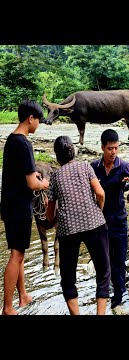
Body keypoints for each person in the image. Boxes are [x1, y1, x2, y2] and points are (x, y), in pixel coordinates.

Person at [46, 135, 110, 315]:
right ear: (73, 150)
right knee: (103, 271)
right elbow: (100, 193)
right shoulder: (85, 166)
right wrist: (98, 211)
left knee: (68, 278)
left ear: (57, 155)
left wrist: (51, 219)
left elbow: (50, 214)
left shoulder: (55, 176)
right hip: (95, 224)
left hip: (68, 231)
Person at [1, 99, 49, 315]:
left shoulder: (11, 140)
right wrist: (44, 183)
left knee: (17, 251)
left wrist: (34, 176)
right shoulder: (25, 143)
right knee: (17, 256)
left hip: (9, 204)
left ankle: (23, 295)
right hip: (19, 207)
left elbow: (20, 174)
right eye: (38, 120)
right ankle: (7, 307)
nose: (38, 124)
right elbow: (32, 184)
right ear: (31, 118)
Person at [91, 129, 129, 315]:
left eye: (116, 148)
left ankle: (117, 301)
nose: (113, 152)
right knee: (102, 262)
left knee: (119, 262)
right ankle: (102, 297)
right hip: (99, 222)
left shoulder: (123, 166)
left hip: (119, 222)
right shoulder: (93, 167)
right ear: (102, 148)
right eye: (110, 148)